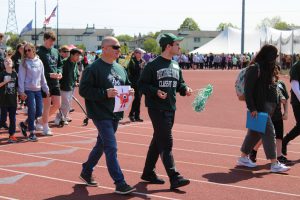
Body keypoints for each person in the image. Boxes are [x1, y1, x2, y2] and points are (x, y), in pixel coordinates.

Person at [79, 36, 135, 195]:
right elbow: (83, 90)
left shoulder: (120, 68)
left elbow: (126, 85)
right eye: (115, 47)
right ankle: (120, 182)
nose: (118, 50)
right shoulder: (93, 68)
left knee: (101, 145)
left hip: (115, 113)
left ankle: (86, 170)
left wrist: (130, 91)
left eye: (119, 47)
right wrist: (105, 93)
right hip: (100, 113)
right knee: (111, 147)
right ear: (104, 49)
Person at [139, 33, 192, 189]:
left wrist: (185, 89)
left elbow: (180, 84)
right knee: (166, 143)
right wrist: (155, 91)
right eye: (177, 44)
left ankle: (148, 172)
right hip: (157, 109)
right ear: (168, 46)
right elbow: (141, 85)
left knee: (158, 141)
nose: (179, 47)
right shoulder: (152, 65)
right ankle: (175, 177)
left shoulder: (175, 65)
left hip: (170, 108)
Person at [237, 44, 290, 173]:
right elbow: (249, 91)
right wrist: (252, 108)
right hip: (259, 108)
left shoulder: (267, 68)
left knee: (254, 133)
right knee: (270, 133)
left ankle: (243, 157)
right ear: (269, 55)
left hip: (265, 107)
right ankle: (274, 163)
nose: (276, 58)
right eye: (275, 55)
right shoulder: (254, 69)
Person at [249, 66, 290, 164]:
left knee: (279, 135)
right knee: (266, 135)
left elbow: (286, 99)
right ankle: (253, 150)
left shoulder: (281, 84)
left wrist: (286, 112)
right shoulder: (266, 84)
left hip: (277, 114)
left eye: (276, 72)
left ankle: (279, 156)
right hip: (268, 114)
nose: (275, 74)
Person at [18, 43, 49, 142]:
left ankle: (24, 124)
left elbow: (42, 77)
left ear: (33, 50)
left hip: (38, 89)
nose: (27, 52)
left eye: (29, 50)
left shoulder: (39, 62)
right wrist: (21, 92)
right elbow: (21, 78)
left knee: (39, 112)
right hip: (28, 90)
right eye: (25, 51)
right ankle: (31, 132)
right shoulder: (24, 63)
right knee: (32, 110)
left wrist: (46, 89)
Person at [37, 31, 62, 136]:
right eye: (50, 41)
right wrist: (48, 74)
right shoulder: (39, 52)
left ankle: (40, 120)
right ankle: (45, 127)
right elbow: (37, 68)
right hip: (44, 82)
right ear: (45, 39)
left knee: (57, 104)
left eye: (53, 42)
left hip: (55, 82)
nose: (52, 43)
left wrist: (60, 73)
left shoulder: (56, 51)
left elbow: (60, 65)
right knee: (47, 106)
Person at [54, 48, 81, 125]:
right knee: (65, 104)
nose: (78, 57)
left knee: (68, 104)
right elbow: (59, 71)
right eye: (77, 55)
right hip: (64, 86)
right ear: (72, 55)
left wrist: (76, 81)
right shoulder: (64, 62)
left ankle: (64, 116)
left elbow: (75, 73)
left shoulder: (75, 63)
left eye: (79, 56)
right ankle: (59, 118)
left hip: (71, 86)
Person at [282, 59, 300, 156]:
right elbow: (294, 86)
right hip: (298, 102)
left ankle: (285, 140)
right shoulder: (296, 66)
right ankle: (285, 140)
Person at [0, 57, 19, 143]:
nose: (8, 62)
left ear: (12, 63)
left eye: (10, 61)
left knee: (13, 119)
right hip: (3, 100)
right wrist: (4, 82)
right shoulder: (2, 74)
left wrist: (19, 98)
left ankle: (11, 135)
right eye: (6, 61)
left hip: (13, 101)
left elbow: (17, 87)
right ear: (4, 64)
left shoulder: (15, 74)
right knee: (3, 119)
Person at [127, 48, 145, 122]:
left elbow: (143, 72)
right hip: (134, 83)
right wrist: (139, 66)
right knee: (137, 98)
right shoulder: (132, 61)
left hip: (140, 83)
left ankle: (136, 116)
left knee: (138, 100)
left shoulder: (142, 61)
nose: (141, 55)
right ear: (135, 53)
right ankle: (132, 114)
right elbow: (131, 72)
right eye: (140, 53)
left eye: (142, 54)